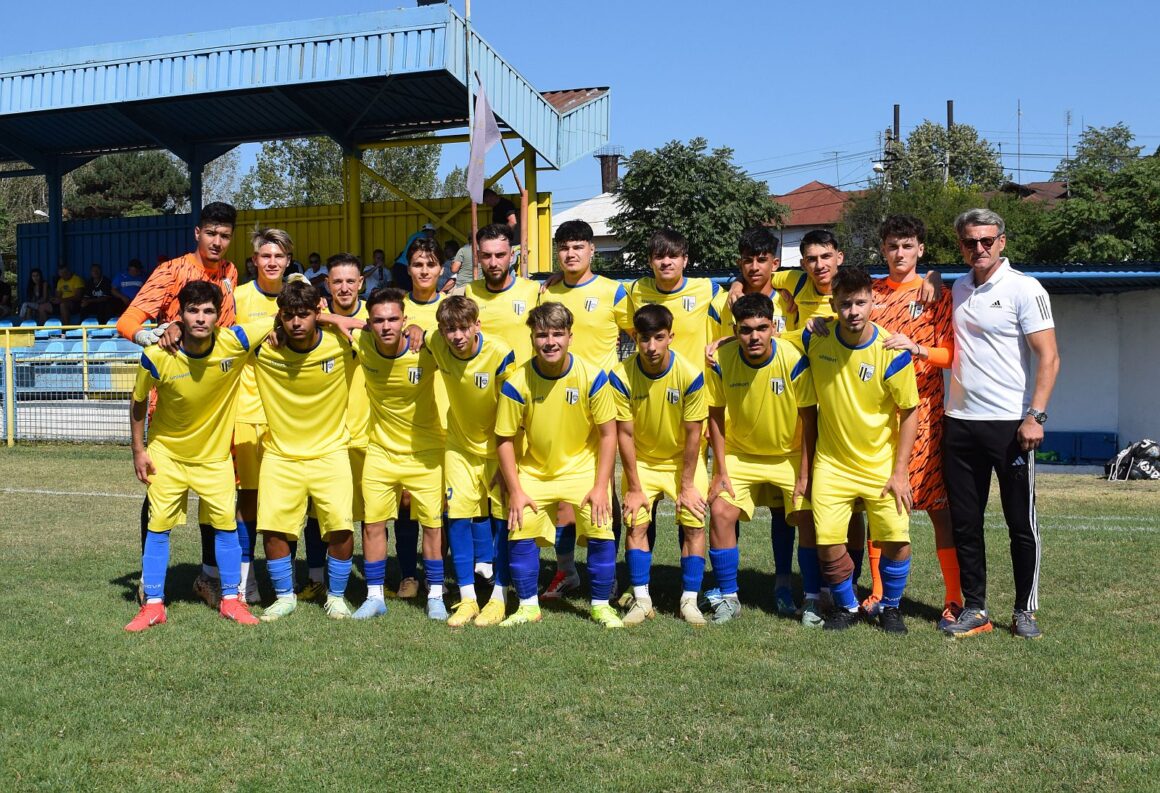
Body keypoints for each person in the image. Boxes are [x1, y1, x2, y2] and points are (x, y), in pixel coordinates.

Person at [941, 208, 1059, 640]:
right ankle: (975, 608)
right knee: (966, 523)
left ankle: (1024, 610)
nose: (979, 248)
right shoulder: (958, 287)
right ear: (961, 245)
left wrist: (1036, 415)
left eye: (987, 240)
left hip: (1010, 425)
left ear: (1002, 242)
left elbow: (1049, 355)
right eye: (971, 241)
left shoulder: (1024, 288)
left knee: (1020, 524)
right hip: (959, 423)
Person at [117, 201, 240, 607]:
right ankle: (148, 580)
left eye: (224, 235)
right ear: (197, 233)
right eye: (211, 234)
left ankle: (208, 577)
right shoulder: (172, 270)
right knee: (158, 491)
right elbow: (127, 323)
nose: (217, 242)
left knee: (216, 496)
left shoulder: (230, 273)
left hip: (216, 403)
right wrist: (154, 336)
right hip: (170, 399)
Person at [124, 281, 263, 631]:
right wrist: (138, 450)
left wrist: (333, 316)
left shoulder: (236, 343)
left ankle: (232, 600)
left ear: (219, 316)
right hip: (166, 456)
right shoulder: (157, 356)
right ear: (180, 315)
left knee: (226, 528)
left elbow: (287, 316)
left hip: (214, 459)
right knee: (158, 528)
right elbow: (138, 401)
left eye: (208, 311)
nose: (200, 318)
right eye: (192, 311)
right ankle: (153, 605)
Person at [802, 267, 919, 634]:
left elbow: (910, 411)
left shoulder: (892, 351)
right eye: (845, 304)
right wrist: (718, 344)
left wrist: (900, 472)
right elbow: (768, 337)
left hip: (881, 467)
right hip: (832, 465)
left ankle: (891, 606)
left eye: (860, 302)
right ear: (833, 304)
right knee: (828, 544)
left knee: (897, 540)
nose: (853, 311)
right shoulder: (815, 340)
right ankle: (848, 606)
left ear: (873, 301)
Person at [495, 301, 621, 628]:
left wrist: (600, 486)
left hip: (583, 468)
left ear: (570, 337)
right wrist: (516, 490)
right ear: (532, 339)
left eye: (557, 334)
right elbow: (505, 440)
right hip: (536, 469)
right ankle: (527, 606)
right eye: (541, 335)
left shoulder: (593, 377)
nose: (549, 342)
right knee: (519, 530)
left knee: (600, 529)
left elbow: (609, 435)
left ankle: (600, 605)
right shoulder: (517, 382)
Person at [705, 293, 820, 625]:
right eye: (745, 329)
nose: (753, 336)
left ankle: (811, 598)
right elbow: (715, 415)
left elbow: (809, 419)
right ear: (735, 330)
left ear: (773, 327)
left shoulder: (793, 357)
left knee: (806, 514)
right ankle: (729, 597)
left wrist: (804, 474)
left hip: (788, 454)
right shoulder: (721, 359)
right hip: (741, 455)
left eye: (761, 328)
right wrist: (720, 469)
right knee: (721, 510)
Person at [539, 220, 633, 599]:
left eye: (578, 246)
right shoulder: (546, 293)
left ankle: (606, 577)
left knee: (605, 492)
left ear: (592, 250)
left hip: (604, 404)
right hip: (559, 405)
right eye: (564, 247)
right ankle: (566, 572)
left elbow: (642, 335)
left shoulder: (613, 291)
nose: (571, 253)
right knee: (563, 494)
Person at [253, 280, 357, 622]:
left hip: (331, 452)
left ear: (317, 313)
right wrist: (270, 326)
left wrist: (331, 320)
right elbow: (225, 332)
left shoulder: (342, 345)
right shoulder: (264, 349)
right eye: (288, 316)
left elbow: (384, 328)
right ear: (279, 317)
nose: (296, 323)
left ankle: (337, 596)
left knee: (340, 527)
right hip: (281, 455)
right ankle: (284, 597)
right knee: (274, 529)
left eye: (304, 315)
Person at [708, 227, 798, 616]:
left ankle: (784, 584)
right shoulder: (723, 300)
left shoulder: (792, 291)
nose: (755, 266)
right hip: (740, 420)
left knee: (788, 512)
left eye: (763, 259)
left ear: (775, 263)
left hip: (784, 427)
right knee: (724, 509)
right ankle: (728, 590)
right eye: (747, 259)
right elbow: (717, 345)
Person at [352, 287, 448, 621]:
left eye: (394, 319)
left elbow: (454, 335)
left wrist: (424, 328)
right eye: (378, 320)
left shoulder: (426, 349)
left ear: (405, 320)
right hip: (380, 452)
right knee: (373, 524)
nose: (386, 326)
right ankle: (375, 596)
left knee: (433, 527)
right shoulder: (362, 343)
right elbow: (331, 318)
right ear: (368, 324)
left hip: (426, 453)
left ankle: (435, 595)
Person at [610, 304, 709, 626]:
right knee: (636, 524)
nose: (651, 347)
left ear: (671, 337)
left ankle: (689, 601)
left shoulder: (690, 375)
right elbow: (624, 434)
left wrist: (688, 485)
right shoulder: (621, 375)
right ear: (635, 338)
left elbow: (694, 434)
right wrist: (635, 487)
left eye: (659, 337)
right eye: (644, 339)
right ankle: (641, 600)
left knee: (694, 523)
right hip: (643, 463)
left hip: (683, 463)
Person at [426, 296, 516, 626]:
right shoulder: (435, 342)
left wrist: (510, 459)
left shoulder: (500, 352)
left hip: (497, 449)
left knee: (505, 520)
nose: (458, 336)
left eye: (464, 328)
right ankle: (467, 599)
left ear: (477, 326)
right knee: (458, 518)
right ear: (441, 330)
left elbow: (513, 408)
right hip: (459, 447)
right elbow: (416, 335)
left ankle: (499, 596)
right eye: (450, 329)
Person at [231, 228, 293, 603]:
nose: (272, 262)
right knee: (248, 498)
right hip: (248, 410)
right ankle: (245, 579)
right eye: (265, 256)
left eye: (279, 256)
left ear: (288, 261)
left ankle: (289, 580)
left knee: (286, 499)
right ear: (254, 260)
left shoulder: (299, 296)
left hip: (289, 414)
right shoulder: (239, 298)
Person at [458, 224, 541, 364]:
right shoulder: (470, 291)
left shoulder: (533, 290)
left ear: (512, 256)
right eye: (486, 256)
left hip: (520, 382)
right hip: (483, 382)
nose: (493, 263)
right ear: (478, 257)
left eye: (500, 255)